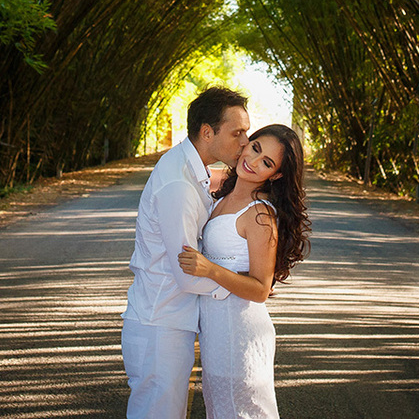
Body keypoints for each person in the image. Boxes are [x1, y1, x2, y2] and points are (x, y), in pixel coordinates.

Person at [121, 86, 251, 419]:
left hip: (167, 320)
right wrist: (243, 286)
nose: (245, 142)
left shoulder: (189, 169)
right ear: (207, 132)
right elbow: (187, 273)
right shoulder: (179, 184)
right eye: (237, 132)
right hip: (160, 324)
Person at [177, 123, 310, 419]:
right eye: (256, 148)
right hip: (216, 328)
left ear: (275, 175)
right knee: (222, 409)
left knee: (243, 412)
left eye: (266, 162)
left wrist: (210, 270)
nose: (252, 161)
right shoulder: (224, 197)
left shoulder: (260, 213)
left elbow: (261, 289)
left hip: (240, 332)